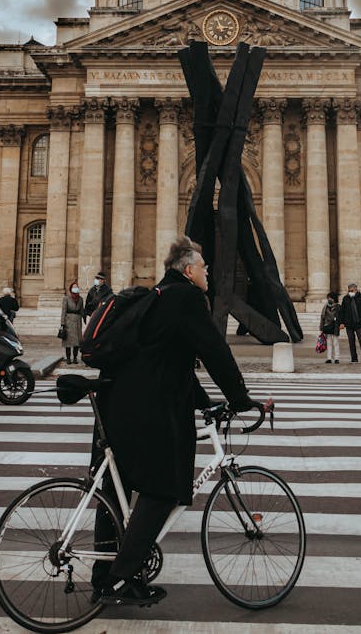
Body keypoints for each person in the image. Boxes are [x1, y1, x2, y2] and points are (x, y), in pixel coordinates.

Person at [92, 235, 254, 609]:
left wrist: (206, 403)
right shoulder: (185, 298)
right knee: (164, 487)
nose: (208, 272)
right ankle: (121, 578)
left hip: (117, 402)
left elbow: (175, 362)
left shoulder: (159, 296)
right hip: (143, 408)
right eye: (203, 267)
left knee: (115, 494)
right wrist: (240, 399)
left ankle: (103, 579)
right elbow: (212, 350)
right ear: (188, 270)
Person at [338, 282, 361, 363]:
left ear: (356, 290)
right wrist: (341, 323)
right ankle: (354, 358)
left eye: (352, 290)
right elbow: (342, 311)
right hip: (349, 324)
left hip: (359, 324)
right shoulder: (345, 299)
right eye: (349, 291)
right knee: (351, 342)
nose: (350, 292)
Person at [60, 281, 84, 364]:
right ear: (71, 289)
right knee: (68, 342)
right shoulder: (66, 298)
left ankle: (75, 358)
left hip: (77, 321)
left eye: (76, 287)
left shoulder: (80, 299)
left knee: (77, 342)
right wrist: (62, 323)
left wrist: (83, 320)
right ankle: (68, 358)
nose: (75, 288)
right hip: (68, 321)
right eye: (74, 287)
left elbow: (81, 311)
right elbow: (63, 311)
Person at [319, 292, 341, 364]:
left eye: (329, 297)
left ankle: (336, 358)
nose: (328, 299)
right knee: (328, 343)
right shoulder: (325, 307)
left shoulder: (338, 307)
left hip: (335, 326)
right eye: (328, 298)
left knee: (335, 342)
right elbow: (322, 318)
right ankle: (329, 358)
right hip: (327, 326)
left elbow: (340, 317)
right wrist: (321, 328)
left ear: (333, 298)